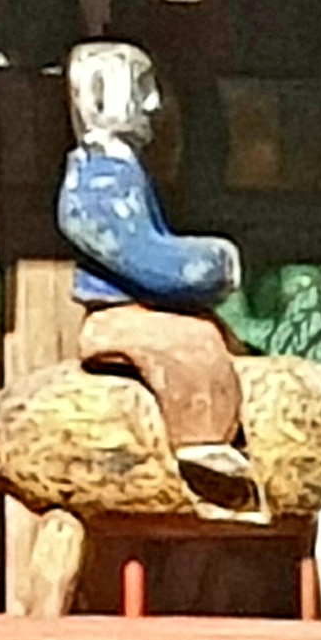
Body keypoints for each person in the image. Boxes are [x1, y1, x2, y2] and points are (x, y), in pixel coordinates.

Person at [57, 40, 259, 509]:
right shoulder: (98, 178)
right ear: (103, 92)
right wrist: (210, 263)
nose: (152, 104)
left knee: (219, 337)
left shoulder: (122, 169)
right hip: (119, 312)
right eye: (142, 88)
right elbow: (137, 253)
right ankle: (200, 446)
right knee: (190, 347)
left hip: (141, 307)